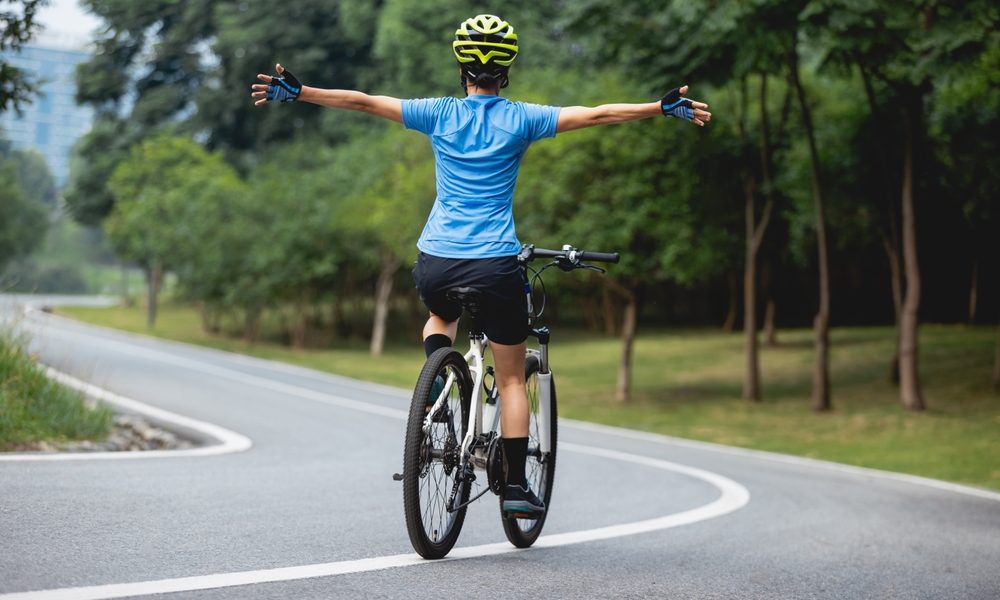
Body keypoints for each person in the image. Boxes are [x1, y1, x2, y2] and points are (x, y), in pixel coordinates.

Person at [251, 14, 711, 519]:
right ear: (506, 71)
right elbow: (597, 114)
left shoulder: (437, 113)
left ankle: (436, 389)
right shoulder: (524, 119)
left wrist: (299, 93)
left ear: (461, 68)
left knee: (439, 317)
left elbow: (363, 101)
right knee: (512, 380)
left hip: (438, 262)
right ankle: (514, 487)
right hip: (494, 264)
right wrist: (659, 107)